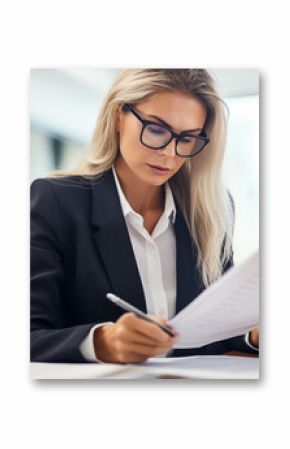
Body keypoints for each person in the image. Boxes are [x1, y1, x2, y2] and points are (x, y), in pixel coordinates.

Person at [30, 68, 259, 363]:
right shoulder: (55, 201)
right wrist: (102, 342)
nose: (170, 153)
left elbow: (217, 328)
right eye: (156, 129)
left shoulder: (212, 211)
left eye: (187, 138)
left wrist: (251, 336)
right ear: (117, 117)